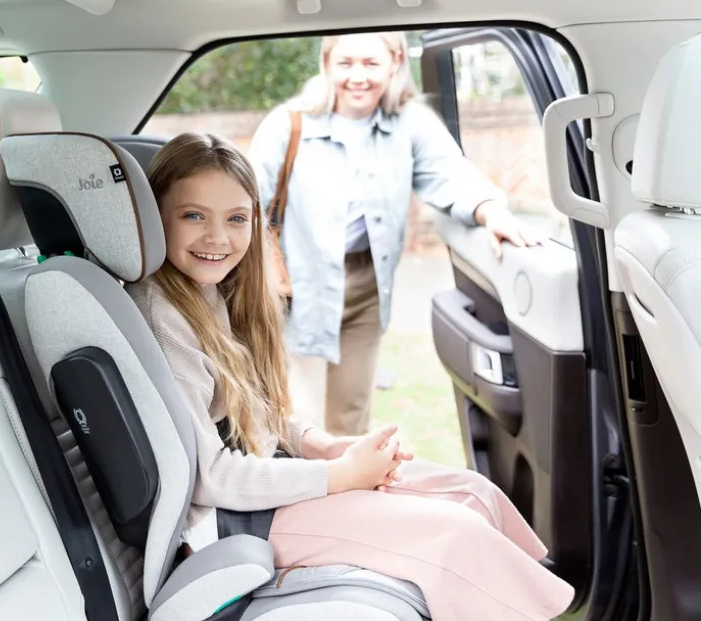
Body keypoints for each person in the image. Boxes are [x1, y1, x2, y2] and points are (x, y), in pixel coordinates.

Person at [126, 132, 573, 621]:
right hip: (234, 522)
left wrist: (321, 445)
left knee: (474, 492)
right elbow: (211, 477)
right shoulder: (162, 316)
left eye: (235, 219)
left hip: (265, 489)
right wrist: (339, 476)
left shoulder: (215, 293)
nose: (218, 237)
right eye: (193, 216)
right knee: (455, 534)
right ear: (154, 217)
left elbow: (249, 414)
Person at [247, 31, 543, 437]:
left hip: (367, 288)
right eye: (345, 63)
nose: (358, 77)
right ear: (326, 64)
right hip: (294, 287)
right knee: (297, 419)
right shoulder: (288, 123)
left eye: (371, 63)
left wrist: (489, 209)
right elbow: (246, 201)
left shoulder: (411, 122)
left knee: (351, 417)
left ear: (395, 62)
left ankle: (352, 479)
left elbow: (449, 173)